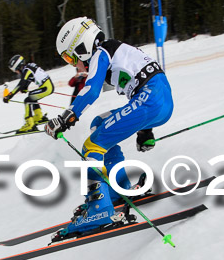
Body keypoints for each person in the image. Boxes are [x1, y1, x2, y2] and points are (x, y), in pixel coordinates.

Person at [45, 17, 174, 236]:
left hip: (148, 100)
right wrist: (145, 130)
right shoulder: (118, 49)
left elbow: (92, 90)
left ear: (81, 45)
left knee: (92, 146)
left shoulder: (100, 53)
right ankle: (117, 191)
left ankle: (99, 208)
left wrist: (66, 117)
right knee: (100, 124)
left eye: (70, 57)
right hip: (161, 104)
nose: (74, 64)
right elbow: (149, 78)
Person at [3, 55, 55, 133]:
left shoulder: (27, 70)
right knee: (31, 96)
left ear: (17, 66)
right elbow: (28, 79)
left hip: (46, 87)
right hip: (47, 86)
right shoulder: (28, 68)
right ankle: (39, 117)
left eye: (15, 70)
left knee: (27, 100)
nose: (15, 72)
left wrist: (9, 95)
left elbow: (21, 84)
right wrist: (25, 87)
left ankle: (29, 124)